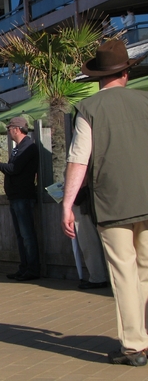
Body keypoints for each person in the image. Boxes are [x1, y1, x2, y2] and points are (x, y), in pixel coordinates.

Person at [62, 39, 148, 366]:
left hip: (113, 204)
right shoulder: (145, 102)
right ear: (126, 73)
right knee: (145, 272)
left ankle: (134, 346)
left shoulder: (89, 109)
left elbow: (78, 161)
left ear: (98, 77)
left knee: (124, 274)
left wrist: (66, 204)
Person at [0, 117, 40, 281]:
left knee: (27, 235)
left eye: (9, 128)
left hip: (23, 196)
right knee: (20, 235)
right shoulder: (19, 148)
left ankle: (32, 269)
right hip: (16, 197)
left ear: (16, 129)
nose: (8, 132)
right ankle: (24, 267)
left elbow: (15, 169)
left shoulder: (29, 147)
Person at [72, 183, 109, 289]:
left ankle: (97, 278)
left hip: (85, 203)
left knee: (88, 242)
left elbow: (82, 180)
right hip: (99, 202)